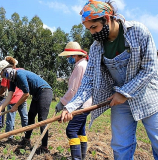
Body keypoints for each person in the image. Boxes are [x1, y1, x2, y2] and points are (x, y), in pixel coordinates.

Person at [60, 0, 158, 159]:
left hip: (148, 95)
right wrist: (71, 107)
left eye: (94, 27)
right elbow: (88, 81)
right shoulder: (97, 47)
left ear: (107, 18)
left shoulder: (138, 31)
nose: (92, 33)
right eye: (88, 29)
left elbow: (150, 68)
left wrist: (125, 92)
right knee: (120, 145)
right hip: (119, 100)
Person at [0, 59, 53, 154]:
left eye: (3, 74)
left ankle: (44, 147)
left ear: (7, 70)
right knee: (30, 117)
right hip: (36, 94)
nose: (4, 77)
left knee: (42, 119)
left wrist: (16, 106)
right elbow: (9, 97)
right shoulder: (13, 80)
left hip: (45, 91)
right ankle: (27, 139)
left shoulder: (20, 74)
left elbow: (26, 94)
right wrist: (0, 109)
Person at [55, 41, 92, 160]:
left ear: (74, 55)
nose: (67, 59)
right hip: (86, 104)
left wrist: (62, 103)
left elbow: (73, 90)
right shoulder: (84, 64)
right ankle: (82, 157)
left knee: (71, 130)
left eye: (68, 56)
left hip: (81, 105)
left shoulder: (80, 66)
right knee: (80, 130)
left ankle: (77, 158)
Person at [0, 56, 28, 140]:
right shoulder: (21, 70)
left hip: (13, 99)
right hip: (22, 98)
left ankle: (10, 137)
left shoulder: (7, 74)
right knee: (24, 118)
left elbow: (4, 88)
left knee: (10, 119)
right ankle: (27, 136)